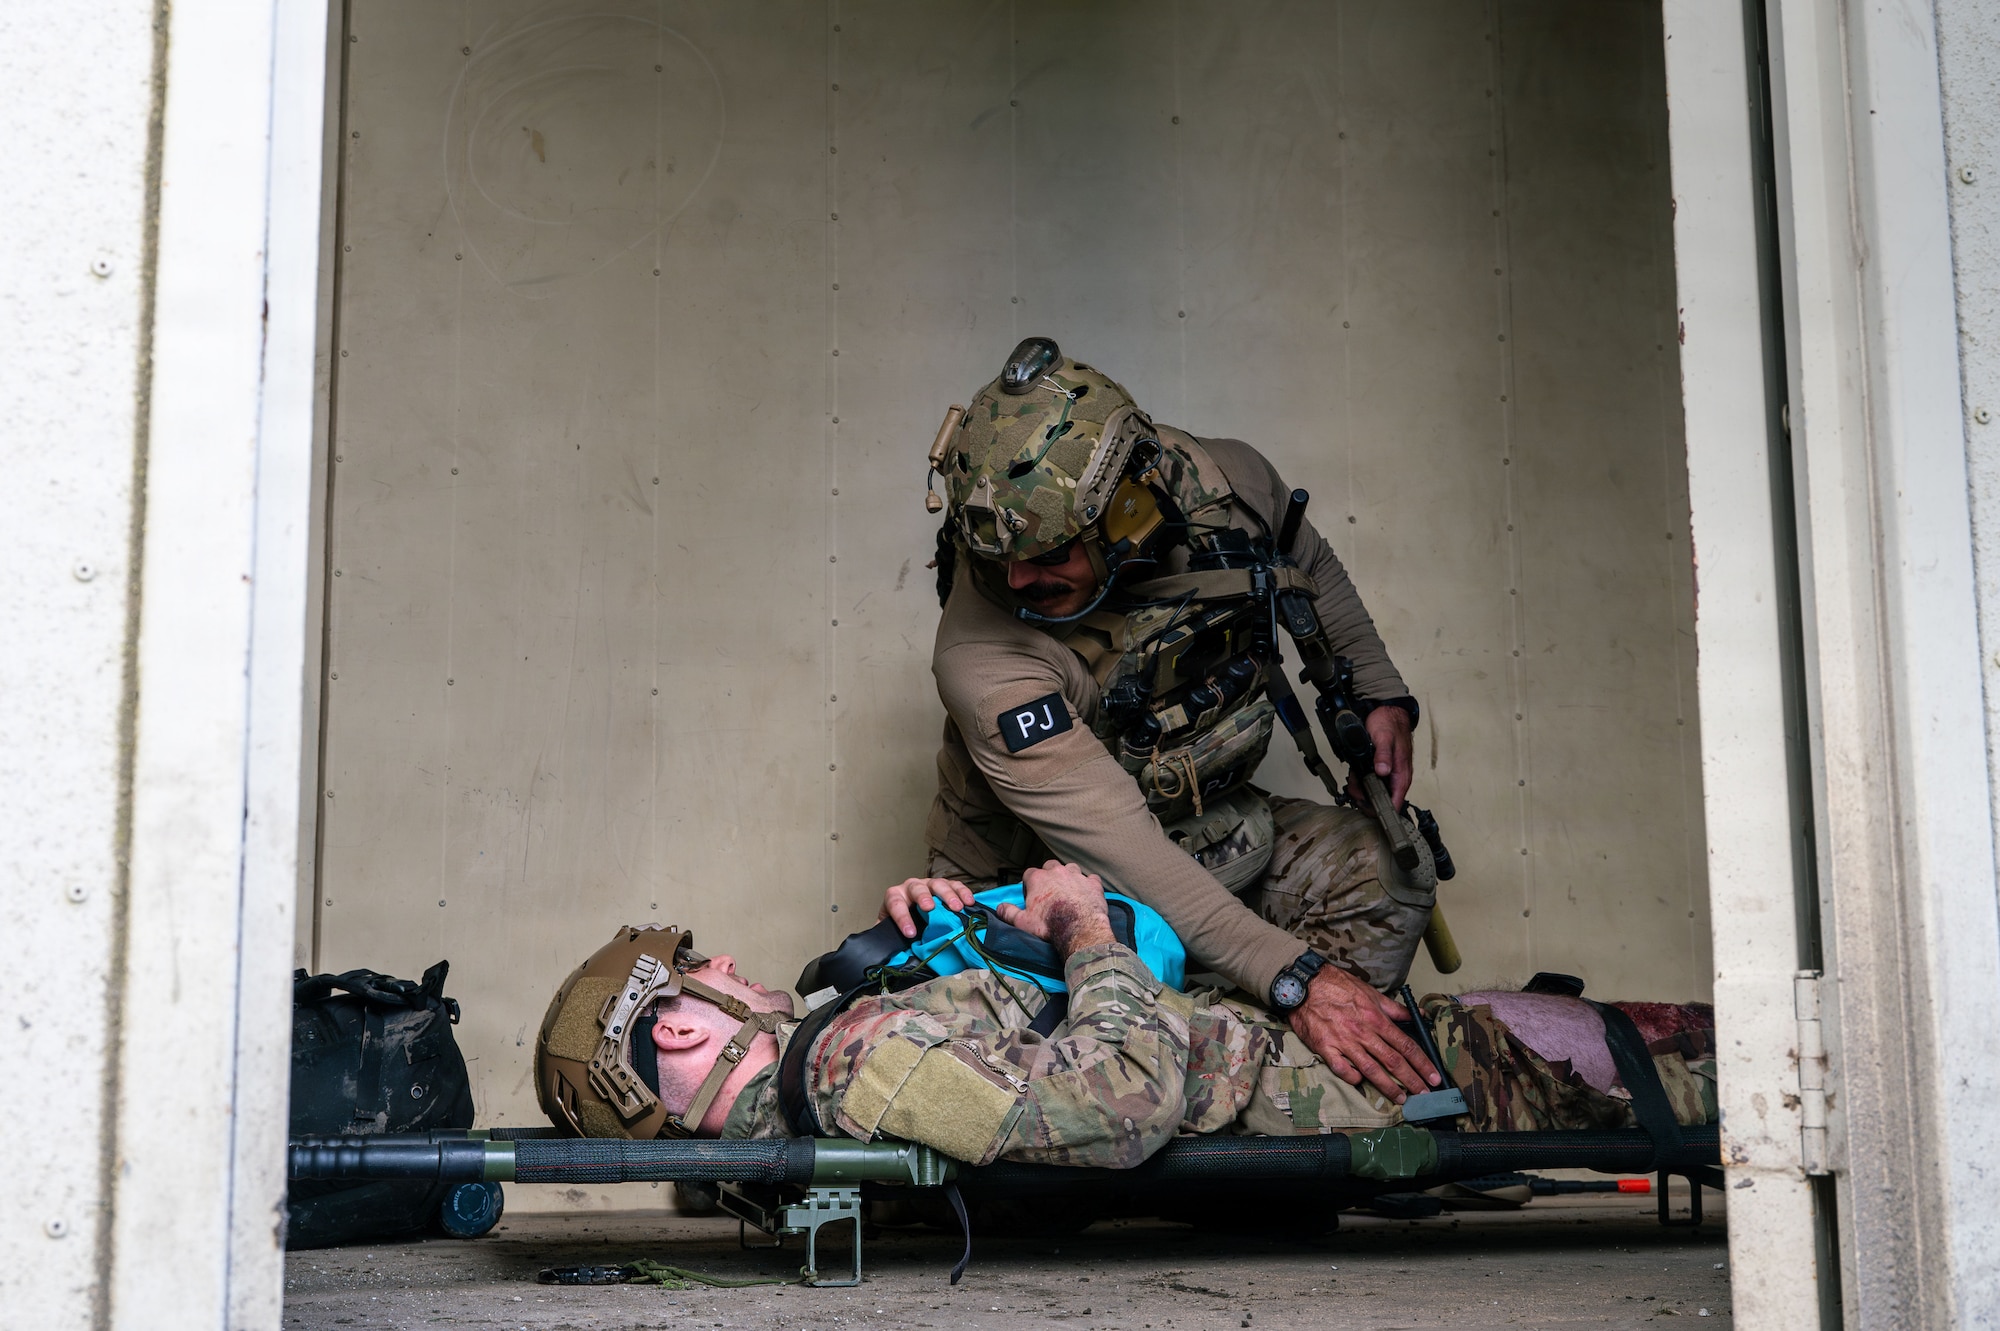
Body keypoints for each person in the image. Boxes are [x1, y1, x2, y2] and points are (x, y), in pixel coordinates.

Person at [911, 335, 1439, 1105]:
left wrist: (1375, 693)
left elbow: (1307, 562)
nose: (1019, 578)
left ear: (1126, 509)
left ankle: (1307, 1106)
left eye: (1049, 552)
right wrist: (1295, 978)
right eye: (999, 557)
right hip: (1049, 879)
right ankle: (1198, 1105)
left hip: (1209, 818)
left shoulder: (1228, 482)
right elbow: (1118, 843)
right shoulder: (981, 654)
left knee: (1391, 865)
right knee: (1018, 1060)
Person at [535, 864, 1716, 1170]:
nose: (727, 961)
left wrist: (952, 924)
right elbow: (1125, 1099)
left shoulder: (789, 1110)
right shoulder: (858, 1065)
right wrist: (1077, 923)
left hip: (1289, 1066)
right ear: (683, 1035)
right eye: (698, 972)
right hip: (1336, 1088)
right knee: (1654, 1046)